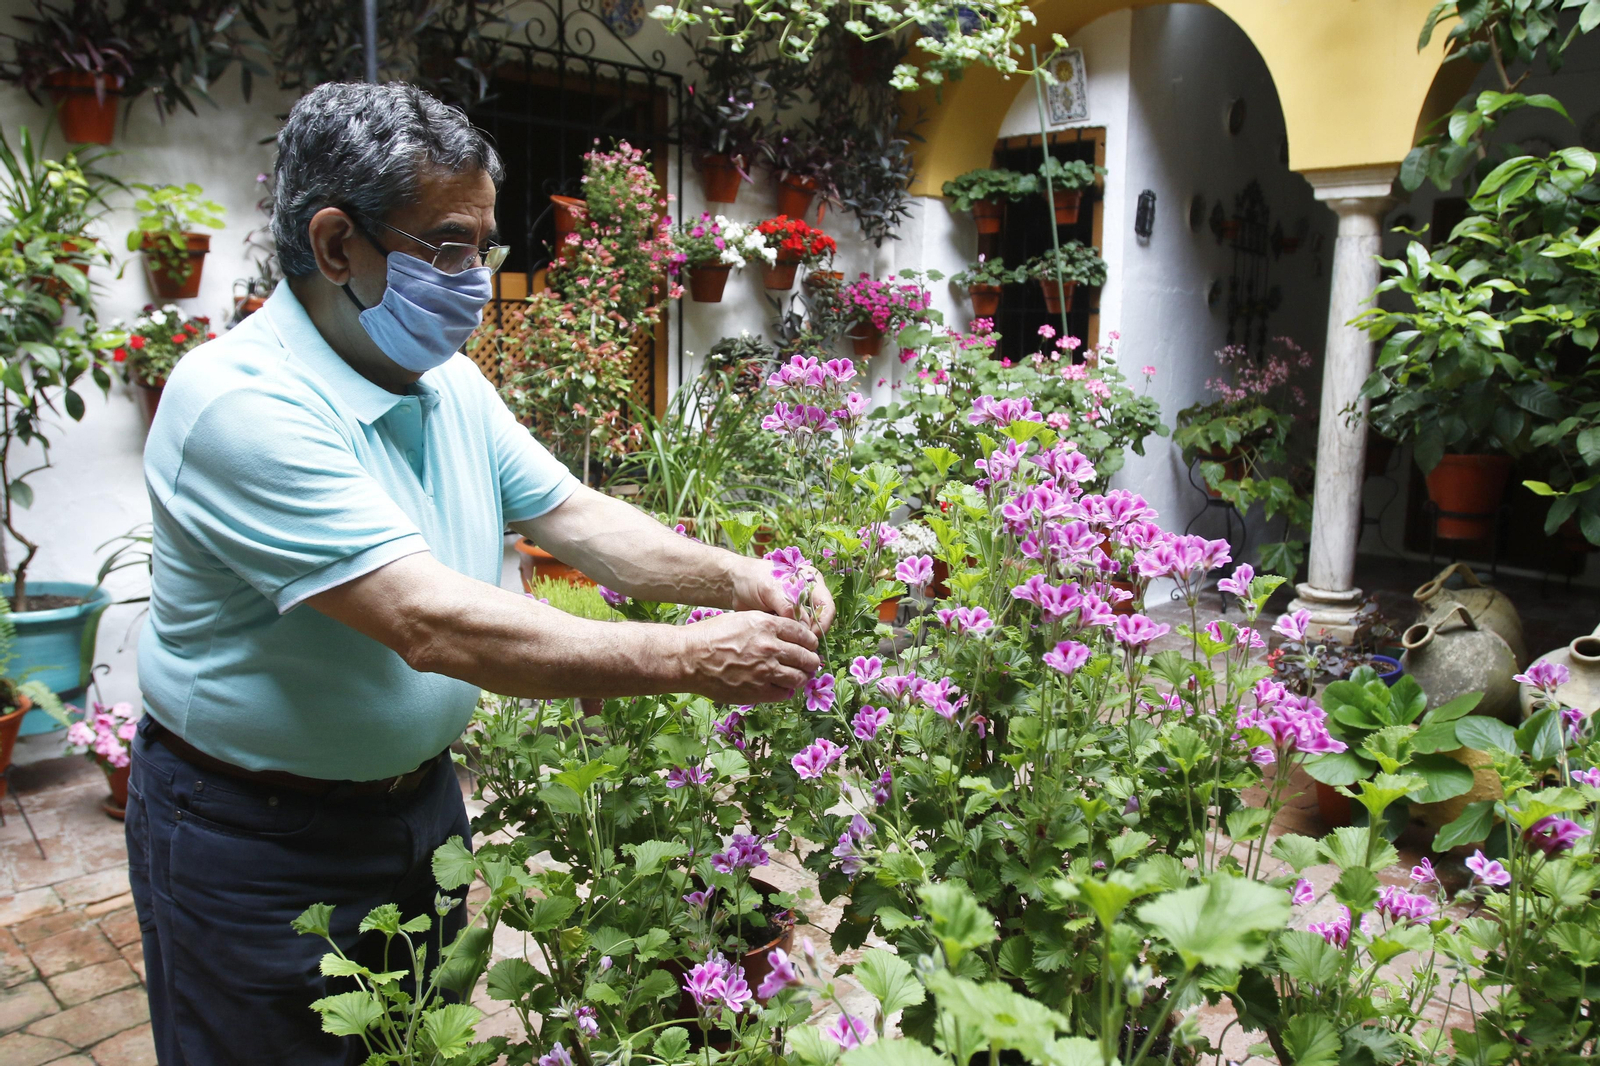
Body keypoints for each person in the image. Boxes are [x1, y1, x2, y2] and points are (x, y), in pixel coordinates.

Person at [126, 80, 832, 1066]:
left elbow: (574, 516)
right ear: (337, 245)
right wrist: (693, 658)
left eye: (481, 247)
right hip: (256, 841)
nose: (474, 277)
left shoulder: (442, 382)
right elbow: (433, 623)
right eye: (448, 246)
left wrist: (738, 579)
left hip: (414, 812)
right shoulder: (238, 408)